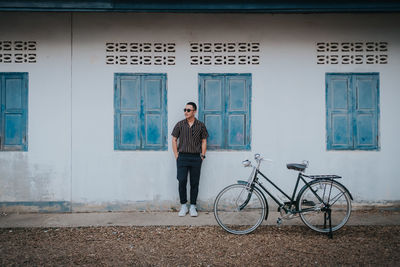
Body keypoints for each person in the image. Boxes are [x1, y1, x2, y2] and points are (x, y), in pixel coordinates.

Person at [171, 102, 208, 217]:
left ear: (194, 111)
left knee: (194, 183)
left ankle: (192, 206)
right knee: (182, 181)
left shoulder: (200, 125)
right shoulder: (180, 124)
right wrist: (177, 155)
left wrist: (202, 155)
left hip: (196, 157)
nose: (185, 112)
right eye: (185, 110)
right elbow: (174, 139)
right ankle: (183, 205)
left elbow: (204, 141)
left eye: (188, 110)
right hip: (182, 157)